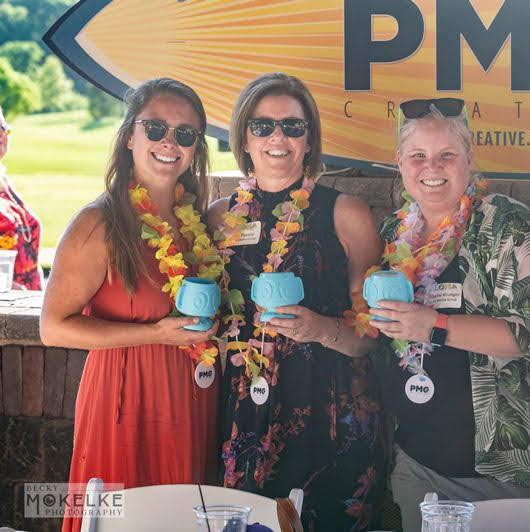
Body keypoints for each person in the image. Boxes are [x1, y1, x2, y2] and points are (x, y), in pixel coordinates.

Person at [356, 98, 530, 531]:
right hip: (421, 466)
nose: (432, 167)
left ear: (469, 160)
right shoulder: (393, 233)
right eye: (418, 155)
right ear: (400, 163)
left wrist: (434, 326)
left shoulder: (507, 225)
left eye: (447, 154)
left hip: (513, 472)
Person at [40, 78, 223, 532]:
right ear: (129, 136)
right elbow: (53, 328)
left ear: (196, 147)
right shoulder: (97, 223)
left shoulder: (198, 223)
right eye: (155, 128)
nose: (169, 142)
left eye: (185, 134)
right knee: (120, 517)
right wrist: (155, 334)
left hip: (192, 400)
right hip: (124, 402)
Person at [208, 73, 386, 530]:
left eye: (292, 126)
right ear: (243, 138)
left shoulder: (346, 214)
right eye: (262, 125)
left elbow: (374, 335)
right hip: (245, 415)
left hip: (331, 415)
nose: (277, 137)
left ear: (309, 140)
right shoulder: (220, 217)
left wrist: (320, 329)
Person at [0, 104, 43, 290]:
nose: (1, 134)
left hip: (29, 300)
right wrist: (10, 287)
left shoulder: (5, 182)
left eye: (3, 127)